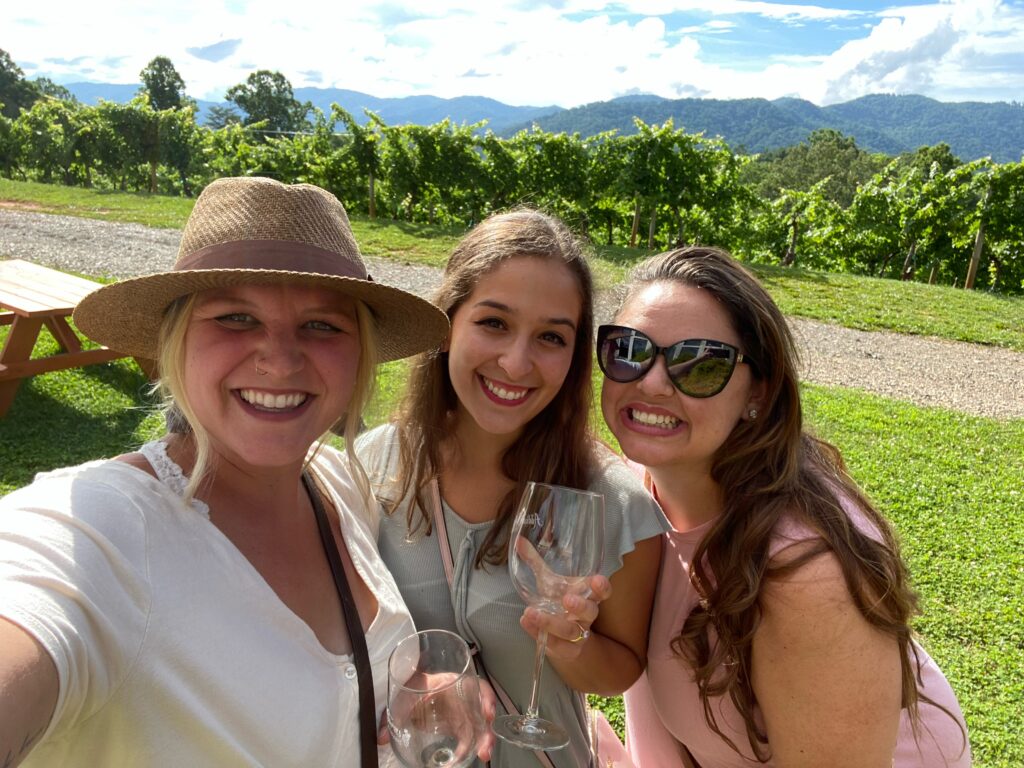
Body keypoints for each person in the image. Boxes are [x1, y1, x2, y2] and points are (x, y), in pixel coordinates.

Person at [0, 176, 491, 767]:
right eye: (235, 317)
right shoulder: (97, 529)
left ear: (359, 352)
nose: (281, 358)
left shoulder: (336, 483)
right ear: (174, 342)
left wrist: (407, 698)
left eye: (322, 325)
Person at [596, 246, 971, 767]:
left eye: (701, 365)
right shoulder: (640, 492)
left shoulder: (803, 575)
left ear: (759, 394)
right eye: (629, 350)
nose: (651, 381)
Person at [356, 208, 669, 767]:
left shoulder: (615, 503)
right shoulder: (372, 465)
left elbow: (621, 668)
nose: (516, 362)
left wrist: (570, 638)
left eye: (551, 336)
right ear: (448, 320)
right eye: (494, 323)